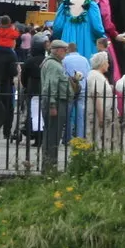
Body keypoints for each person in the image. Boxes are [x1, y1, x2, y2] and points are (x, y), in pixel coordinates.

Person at [39, 40, 73, 172]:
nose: (65, 52)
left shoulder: (53, 63)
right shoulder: (53, 65)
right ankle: (49, 167)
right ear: (58, 50)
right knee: (53, 136)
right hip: (57, 103)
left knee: (51, 135)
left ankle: (48, 165)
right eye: (64, 50)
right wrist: (52, 105)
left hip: (57, 102)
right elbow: (50, 86)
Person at [0, 35, 20, 139]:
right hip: (7, 84)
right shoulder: (11, 55)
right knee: (9, 109)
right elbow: (13, 71)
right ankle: (6, 132)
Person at [61, 43, 91, 143]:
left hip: (69, 90)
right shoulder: (84, 59)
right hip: (82, 89)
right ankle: (80, 138)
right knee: (80, 115)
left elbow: (63, 74)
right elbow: (88, 74)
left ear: (68, 49)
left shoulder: (65, 60)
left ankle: (67, 138)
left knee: (67, 115)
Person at [84, 52, 115, 148]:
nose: (108, 65)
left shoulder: (98, 75)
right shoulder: (95, 76)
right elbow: (96, 97)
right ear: (102, 63)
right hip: (97, 116)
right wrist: (101, 117)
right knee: (97, 140)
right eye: (107, 62)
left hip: (101, 114)